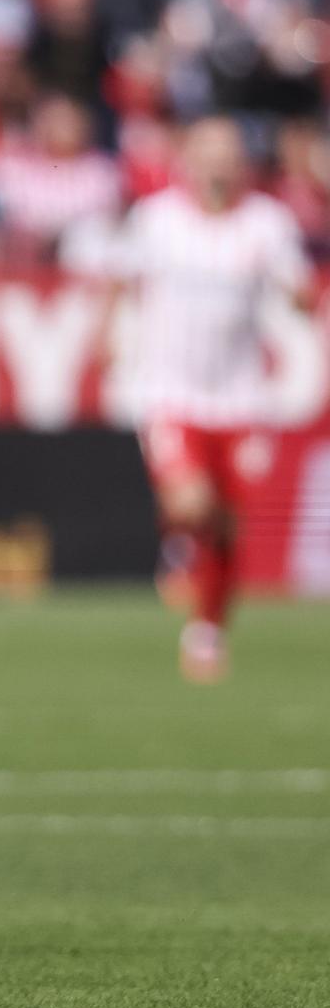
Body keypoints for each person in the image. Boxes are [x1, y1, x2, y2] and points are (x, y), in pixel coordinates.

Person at [111, 116, 314, 681]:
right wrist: (112, 343)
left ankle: (207, 631)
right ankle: (176, 542)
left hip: (241, 398)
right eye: (209, 152)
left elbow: (298, 294)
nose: (219, 164)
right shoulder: (157, 221)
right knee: (191, 502)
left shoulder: (266, 224)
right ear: (188, 159)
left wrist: (299, 295)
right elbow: (122, 282)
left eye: (229, 153)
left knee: (226, 524)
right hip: (172, 392)